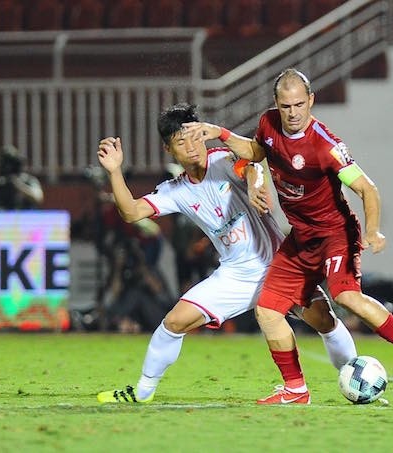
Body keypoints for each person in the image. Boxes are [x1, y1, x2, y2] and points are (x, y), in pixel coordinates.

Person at [183, 68, 393, 404]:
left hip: (336, 234)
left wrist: (374, 229)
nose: (292, 113)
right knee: (267, 311)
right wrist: (220, 133)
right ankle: (295, 390)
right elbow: (256, 152)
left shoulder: (326, 145)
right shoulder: (268, 123)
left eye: (298, 105)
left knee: (348, 297)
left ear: (311, 101)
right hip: (301, 239)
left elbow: (367, 189)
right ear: (276, 105)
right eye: (285, 106)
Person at [96, 103, 358, 403]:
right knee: (173, 323)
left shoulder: (223, 159)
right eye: (181, 142)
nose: (191, 146)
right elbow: (130, 212)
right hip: (235, 276)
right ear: (168, 149)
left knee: (323, 320)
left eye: (195, 137)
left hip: (278, 264)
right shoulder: (174, 190)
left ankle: (354, 377)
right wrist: (115, 172)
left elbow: (251, 165)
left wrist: (254, 185)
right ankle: (142, 392)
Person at [0, 145, 44, 209]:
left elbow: (38, 198)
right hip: (3, 215)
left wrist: (18, 184)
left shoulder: (28, 179)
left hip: (25, 215)